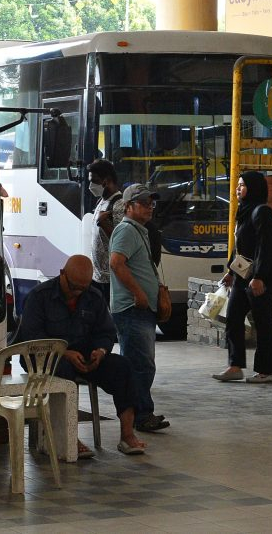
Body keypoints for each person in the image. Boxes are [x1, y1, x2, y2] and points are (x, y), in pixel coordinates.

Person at [17, 254, 147, 456]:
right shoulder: (39, 297)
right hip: (46, 358)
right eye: (73, 287)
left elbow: (106, 332)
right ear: (62, 274)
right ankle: (67, 437)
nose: (77, 293)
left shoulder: (93, 296)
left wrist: (100, 352)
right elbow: (32, 338)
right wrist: (64, 353)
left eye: (82, 289)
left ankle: (127, 435)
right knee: (64, 371)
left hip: (84, 356)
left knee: (122, 367)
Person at [109, 184, 169, 433]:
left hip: (140, 308)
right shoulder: (126, 231)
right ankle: (141, 415)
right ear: (128, 206)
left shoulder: (138, 230)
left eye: (151, 202)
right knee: (139, 365)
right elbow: (116, 262)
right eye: (144, 203)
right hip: (132, 308)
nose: (150, 207)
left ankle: (142, 413)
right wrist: (138, 293)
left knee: (142, 364)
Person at [212, 171, 272, 384]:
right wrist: (232, 271)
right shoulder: (243, 212)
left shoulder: (262, 212)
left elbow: (266, 247)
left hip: (261, 278)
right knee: (233, 317)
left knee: (263, 322)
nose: (237, 189)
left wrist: (259, 276)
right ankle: (235, 366)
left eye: (242, 185)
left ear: (254, 188)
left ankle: (266, 370)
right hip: (244, 276)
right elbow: (241, 246)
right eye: (237, 185)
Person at [87, 159, 125, 305]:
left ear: (107, 181)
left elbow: (121, 242)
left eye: (94, 181)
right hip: (98, 277)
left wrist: (104, 224)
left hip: (111, 279)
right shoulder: (101, 201)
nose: (91, 186)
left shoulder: (119, 204)